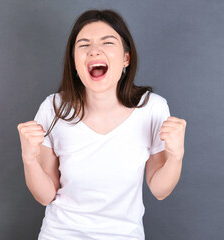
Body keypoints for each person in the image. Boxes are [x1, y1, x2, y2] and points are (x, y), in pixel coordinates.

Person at [17, 9, 186, 240]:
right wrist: (28, 158)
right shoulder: (54, 108)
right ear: (75, 63)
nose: (94, 50)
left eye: (107, 42)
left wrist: (176, 155)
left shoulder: (152, 108)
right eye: (84, 45)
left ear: (126, 58)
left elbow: (160, 190)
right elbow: (45, 195)